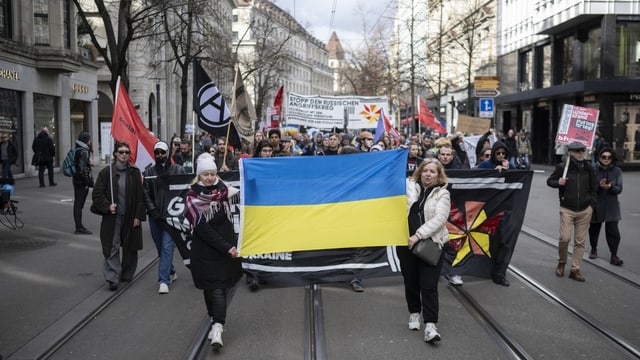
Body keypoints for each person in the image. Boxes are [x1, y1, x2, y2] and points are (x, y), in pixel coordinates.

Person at [185, 153, 242, 350]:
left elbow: (248, 199)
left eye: (212, 173)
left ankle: (218, 326)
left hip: (225, 251)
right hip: (205, 253)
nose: (209, 178)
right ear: (199, 176)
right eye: (205, 174)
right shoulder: (192, 198)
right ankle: (213, 318)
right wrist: (228, 247)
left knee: (219, 289)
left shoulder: (227, 191)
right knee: (210, 290)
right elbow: (204, 230)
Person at [401, 158, 450, 342]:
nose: (428, 174)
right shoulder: (409, 187)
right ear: (419, 172)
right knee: (411, 281)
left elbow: (439, 220)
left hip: (431, 245)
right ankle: (414, 313)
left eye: (432, 171)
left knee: (429, 286)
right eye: (425, 170)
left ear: (439, 176)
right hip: (406, 244)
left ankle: (430, 325)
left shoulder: (443, 195)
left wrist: (418, 235)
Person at [92, 141, 146, 291]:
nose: (124, 155)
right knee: (112, 246)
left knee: (130, 246)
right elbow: (97, 194)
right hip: (113, 217)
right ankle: (112, 277)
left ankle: (127, 274)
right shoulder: (106, 173)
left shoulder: (134, 172)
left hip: (130, 216)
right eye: (121, 152)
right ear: (115, 153)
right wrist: (107, 205)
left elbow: (140, 197)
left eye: (126, 152)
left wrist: (138, 216)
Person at [546, 141, 597, 282]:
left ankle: (575, 269)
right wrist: (558, 182)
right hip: (567, 208)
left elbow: (594, 188)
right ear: (571, 152)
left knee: (580, 242)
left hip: (585, 210)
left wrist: (591, 206)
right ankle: (561, 262)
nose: (581, 153)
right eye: (578, 150)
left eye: (583, 150)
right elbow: (550, 181)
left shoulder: (589, 168)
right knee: (565, 238)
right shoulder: (563, 167)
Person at [143, 141, 186, 294]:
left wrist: (180, 212)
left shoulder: (178, 170)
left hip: (171, 216)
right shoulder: (148, 172)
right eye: (157, 153)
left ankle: (163, 280)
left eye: (163, 152)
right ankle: (171, 271)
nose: (160, 155)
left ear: (168, 153)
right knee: (161, 247)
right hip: (155, 216)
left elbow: (184, 191)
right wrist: (153, 211)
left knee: (167, 246)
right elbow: (146, 193)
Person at [588, 148, 624, 266]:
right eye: (604, 157)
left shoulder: (617, 171)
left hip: (611, 205)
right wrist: (599, 186)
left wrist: (611, 187)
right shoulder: (593, 170)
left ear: (612, 158)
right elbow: (590, 188)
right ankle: (593, 249)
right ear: (599, 158)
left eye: (609, 157)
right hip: (597, 204)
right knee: (594, 229)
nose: (606, 159)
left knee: (613, 232)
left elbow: (619, 189)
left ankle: (614, 255)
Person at [72, 132, 94, 234]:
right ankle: (79, 227)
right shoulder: (84, 151)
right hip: (81, 182)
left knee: (78, 204)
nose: (90, 141)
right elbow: (82, 169)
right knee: (78, 205)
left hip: (76, 180)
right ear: (86, 140)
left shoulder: (77, 149)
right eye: (89, 139)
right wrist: (88, 182)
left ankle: (78, 226)